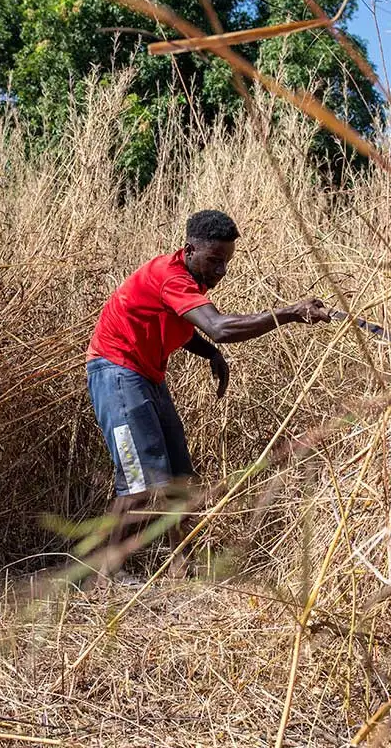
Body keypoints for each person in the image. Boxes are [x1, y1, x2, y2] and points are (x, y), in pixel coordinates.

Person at [85, 209, 330, 579]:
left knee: (179, 478)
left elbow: (183, 325)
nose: (221, 271)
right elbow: (218, 326)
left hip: (146, 376)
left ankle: (180, 568)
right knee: (140, 481)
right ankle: (103, 575)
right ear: (190, 249)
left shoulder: (188, 281)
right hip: (116, 372)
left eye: (226, 263)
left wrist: (209, 353)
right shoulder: (172, 277)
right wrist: (290, 313)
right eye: (215, 260)